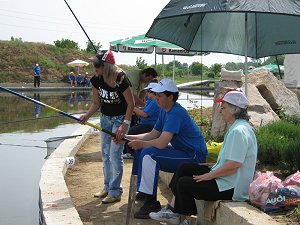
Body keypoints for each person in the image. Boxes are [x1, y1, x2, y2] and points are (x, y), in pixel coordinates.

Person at [149, 89, 258, 225]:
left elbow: (234, 164)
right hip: (227, 178)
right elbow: (233, 160)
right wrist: (215, 166)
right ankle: (173, 211)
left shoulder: (238, 131)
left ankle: (188, 220)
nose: (220, 111)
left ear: (234, 110)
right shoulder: (240, 127)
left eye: (223, 108)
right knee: (184, 168)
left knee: (184, 184)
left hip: (231, 187)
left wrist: (209, 176)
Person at [119, 78, 208, 219]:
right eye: (156, 95)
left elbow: (161, 143)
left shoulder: (176, 112)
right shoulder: (164, 110)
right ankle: (144, 191)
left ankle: (150, 201)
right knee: (143, 151)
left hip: (194, 156)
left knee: (149, 153)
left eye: (159, 95)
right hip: (183, 152)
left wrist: (141, 144)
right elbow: (152, 134)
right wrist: (127, 137)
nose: (156, 98)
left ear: (170, 97)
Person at [79, 50, 134, 204]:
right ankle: (107, 186)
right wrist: (86, 116)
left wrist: (125, 125)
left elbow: (131, 103)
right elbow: (96, 103)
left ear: (106, 65)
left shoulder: (121, 79)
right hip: (105, 119)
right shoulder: (96, 80)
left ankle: (115, 191)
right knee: (105, 155)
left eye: (96, 64)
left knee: (115, 155)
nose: (94, 67)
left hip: (120, 119)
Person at [123, 82, 161, 159]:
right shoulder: (150, 100)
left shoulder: (154, 101)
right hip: (145, 124)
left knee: (131, 132)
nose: (146, 93)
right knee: (131, 130)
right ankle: (127, 151)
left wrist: (131, 107)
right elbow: (144, 110)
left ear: (153, 92)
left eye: (148, 92)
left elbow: (144, 114)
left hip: (150, 125)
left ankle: (131, 152)